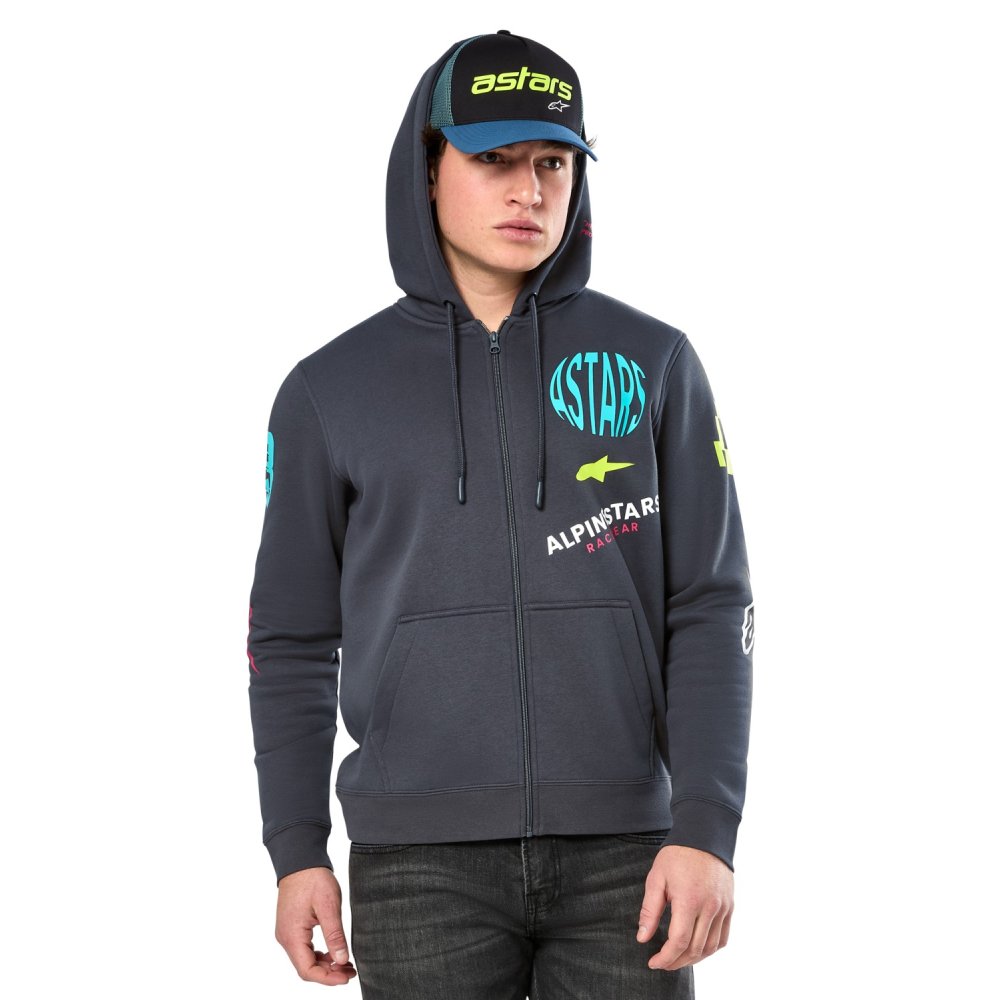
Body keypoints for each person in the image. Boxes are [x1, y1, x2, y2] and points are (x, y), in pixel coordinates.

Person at [246, 29, 754, 999]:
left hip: (630, 854)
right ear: (427, 168)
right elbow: (292, 637)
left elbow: (708, 604)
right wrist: (296, 848)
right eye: (494, 160)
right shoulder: (329, 390)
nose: (529, 191)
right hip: (417, 864)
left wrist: (706, 828)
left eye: (553, 163)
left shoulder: (654, 363)